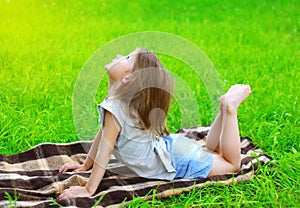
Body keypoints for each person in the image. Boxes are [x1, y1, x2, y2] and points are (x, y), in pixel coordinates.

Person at [57, 48, 251, 200]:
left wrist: (89, 189)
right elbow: (103, 134)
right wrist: (85, 166)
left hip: (177, 158)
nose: (118, 55)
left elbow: (105, 152)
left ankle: (229, 108)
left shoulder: (115, 107)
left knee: (232, 165)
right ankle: (222, 111)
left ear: (128, 78)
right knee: (212, 149)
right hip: (170, 150)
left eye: (126, 58)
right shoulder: (117, 104)